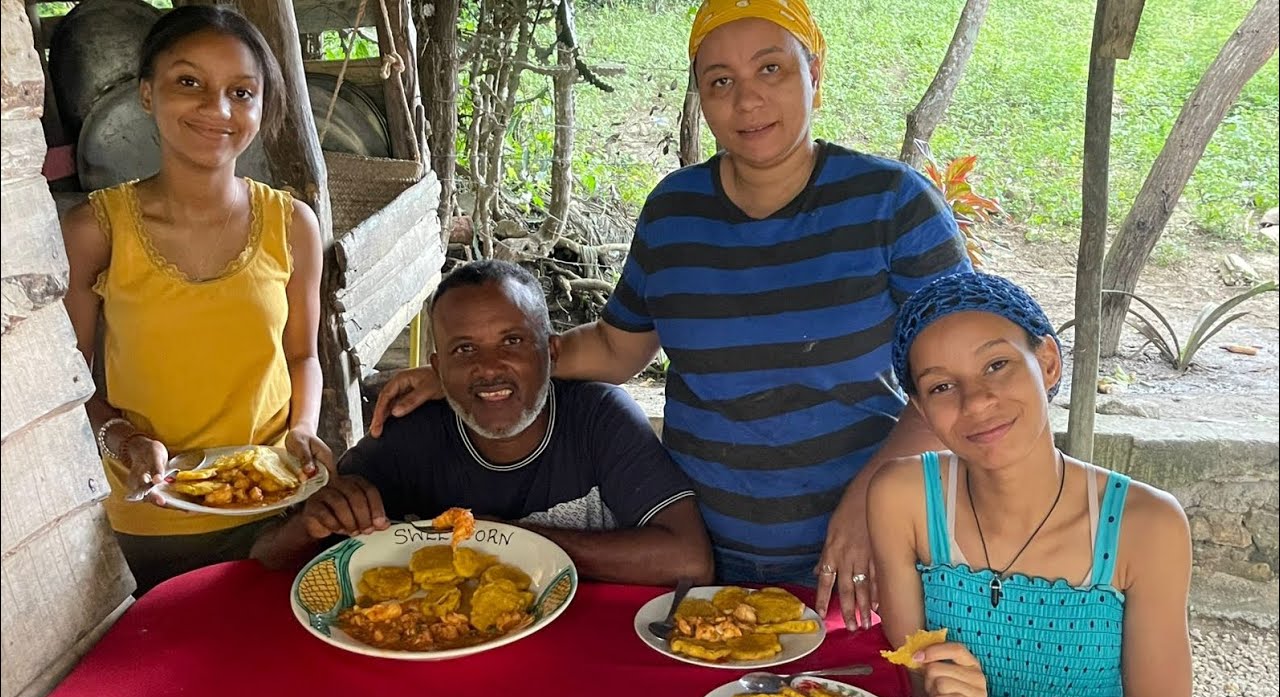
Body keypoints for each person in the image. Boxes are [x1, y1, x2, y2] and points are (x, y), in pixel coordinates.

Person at [370, 0, 971, 628]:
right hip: (709, 558)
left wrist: (873, 498)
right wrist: (472, 373)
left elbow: (959, 378)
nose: (747, 100)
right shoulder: (675, 212)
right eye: (720, 81)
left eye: (772, 69)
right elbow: (615, 349)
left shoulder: (893, 205)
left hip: (863, 558)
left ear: (814, 75)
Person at [60, 6, 332, 595]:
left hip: (277, 504)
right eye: (189, 83)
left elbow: (303, 357)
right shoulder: (97, 230)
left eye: (242, 91)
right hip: (153, 515)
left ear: (263, 109)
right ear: (146, 93)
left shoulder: (293, 226)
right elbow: (71, 387)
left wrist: (303, 431)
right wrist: (123, 440)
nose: (218, 109)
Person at [253, 260, 715, 586]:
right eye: (465, 350)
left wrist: (507, 540)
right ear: (437, 367)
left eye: (512, 341)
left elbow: (690, 562)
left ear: (550, 351)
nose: (489, 367)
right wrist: (310, 522)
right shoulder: (408, 436)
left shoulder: (599, 419)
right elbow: (266, 557)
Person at [866, 273, 1192, 697]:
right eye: (942, 386)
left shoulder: (1146, 526)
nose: (977, 402)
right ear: (922, 410)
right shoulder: (905, 502)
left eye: (997, 365)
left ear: (1049, 362)